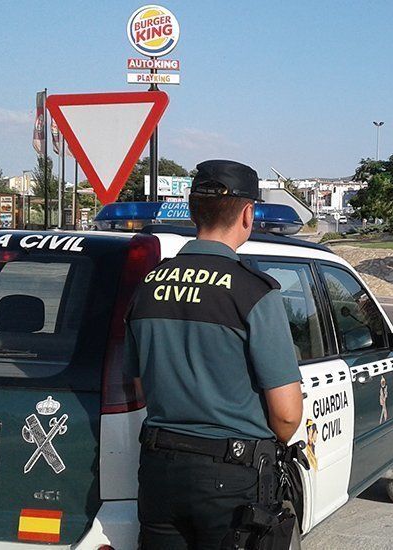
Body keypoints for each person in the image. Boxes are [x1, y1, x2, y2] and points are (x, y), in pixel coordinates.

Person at [124, 159, 303, 549]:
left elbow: (137, 382)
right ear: (248, 213)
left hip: (159, 469)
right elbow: (287, 415)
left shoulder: (148, 285)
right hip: (232, 478)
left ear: (191, 211)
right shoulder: (255, 291)